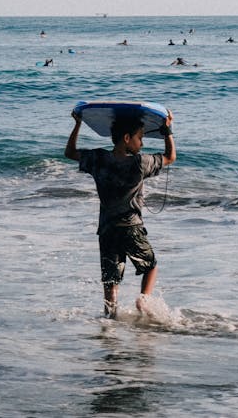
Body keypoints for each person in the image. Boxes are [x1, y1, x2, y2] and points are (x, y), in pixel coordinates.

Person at [65, 107, 176, 319]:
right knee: (150, 267)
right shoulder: (141, 163)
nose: (142, 143)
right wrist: (167, 131)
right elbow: (170, 157)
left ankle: (110, 322)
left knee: (111, 283)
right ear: (127, 138)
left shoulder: (98, 159)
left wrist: (77, 124)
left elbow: (70, 153)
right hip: (131, 228)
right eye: (140, 138)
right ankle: (143, 298)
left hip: (107, 230)